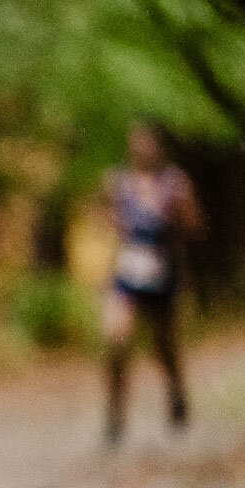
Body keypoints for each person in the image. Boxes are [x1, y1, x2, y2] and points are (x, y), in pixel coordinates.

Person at [102, 121, 205, 446]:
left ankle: (176, 393)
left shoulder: (175, 183)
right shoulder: (118, 183)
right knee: (117, 340)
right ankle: (115, 417)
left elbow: (195, 226)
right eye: (138, 141)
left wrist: (180, 214)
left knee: (165, 346)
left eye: (149, 141)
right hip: (128, 274)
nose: (143, 147)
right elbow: (104, 222)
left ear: (159, 146)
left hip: (163, 274)